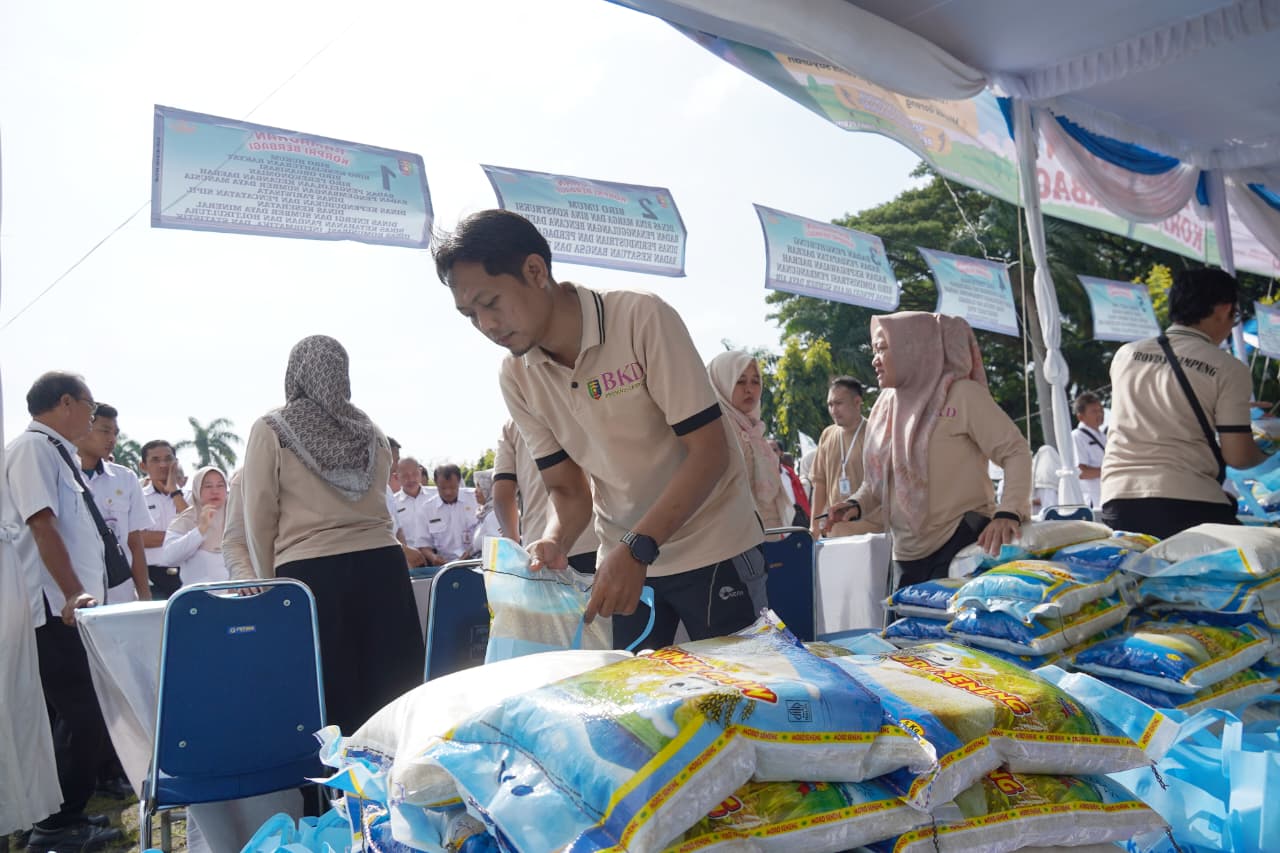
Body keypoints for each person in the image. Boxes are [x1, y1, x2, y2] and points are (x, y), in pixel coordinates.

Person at [435, 209, 763, 649]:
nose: (486, 326)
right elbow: (568, 492)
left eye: (491, 303)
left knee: (746, 699)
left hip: (713, 546)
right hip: (624, 565)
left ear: (535, 271)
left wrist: (637, 547)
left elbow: (710, 453)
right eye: (469, 315)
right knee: (637, 709)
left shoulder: (640, 317)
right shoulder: (517, 374)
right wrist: (553, 541)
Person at [238, 335, 423, 736]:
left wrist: (269, 586)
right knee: (395, 690)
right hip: (383, 568)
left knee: (328, 697)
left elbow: (259, 514)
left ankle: (331, 792)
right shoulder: (371, 430)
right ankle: (395, 787)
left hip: (312, 576)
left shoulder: (272, 428)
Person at [3, 372, 122, 850]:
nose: (94, 418)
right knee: (83, 716)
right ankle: (55, 828)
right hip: (55, 610)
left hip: (73, 610)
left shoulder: (55, 453)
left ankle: (58, 816)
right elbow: (41, 524)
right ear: (66, 402)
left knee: (78, 716)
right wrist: (73, 593)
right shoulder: (32, 449)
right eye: (90, 408)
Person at [828, 313, 1032, 589]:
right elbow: (876, 483)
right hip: (904, 554)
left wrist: (1008, 512)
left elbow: (1016, 451)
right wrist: (854, 505)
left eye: (882, 348)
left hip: (962, 544)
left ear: (911, 347)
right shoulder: (884, 407)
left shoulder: (962, 395)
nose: (875, 359)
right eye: (874, 351)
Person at [1101, 269, 1267, 537]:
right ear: (1223, 309)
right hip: (1190, 503)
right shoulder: (1228, 368)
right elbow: (1238, 456)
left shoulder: (1125, 356)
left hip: (1120, 499)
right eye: (1235, 316)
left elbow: (1161, 408)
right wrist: (1268, 446)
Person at [493, 418, 600, 573]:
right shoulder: (586, 400)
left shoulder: (513, 423)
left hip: (539, 551)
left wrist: (514, 545)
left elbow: (503, 493)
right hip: (598, 539)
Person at [707, 351, 793, 533]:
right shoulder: (715, 431)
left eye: (755, 381)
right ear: (720, 383)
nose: (749, 389)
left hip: (768, 534)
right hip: (731, 536)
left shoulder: (753, 430)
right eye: (740, 381)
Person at [73, 403, 151, 603]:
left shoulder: (125, 478)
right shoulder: (61, 475)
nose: (112, 439)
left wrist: (144, 597)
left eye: (115, 432)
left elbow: (135, 543)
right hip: (77, 596)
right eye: (105, 431)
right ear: (83, 427)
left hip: (120, 595)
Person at [811, 377, 883, 539]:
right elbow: (819, 483)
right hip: (835, 534)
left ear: (857, 402)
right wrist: (814, 525)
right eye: (830, 404)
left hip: (872, 535)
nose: (833, 410)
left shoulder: (874, 434)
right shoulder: (827, 434)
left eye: (839, 403)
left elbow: (880, 485)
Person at [160, 466, 232, 587]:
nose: (215, 491)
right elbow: (169, 558)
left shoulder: (237, 517)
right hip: (199, 597)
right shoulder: (186, 519)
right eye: (208, 486)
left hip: (236, 595)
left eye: (220, 485)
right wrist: (200, 529)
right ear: (197, 489)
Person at [138, 440, 189, 599]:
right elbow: (138, 538)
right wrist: (180, 537)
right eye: (155, 460)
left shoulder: (190, 496)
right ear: (143, 466)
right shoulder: (138, 497)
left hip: (188, 576)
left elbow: (195, 529)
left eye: (168, 459)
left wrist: (174, 491)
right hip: (152, 579)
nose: (163, 465)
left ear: (176, 462)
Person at [420, 464, 479, 564]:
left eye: (452, 487)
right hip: (445, 565)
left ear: (459, 482)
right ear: (435, 483)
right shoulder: (427, 509)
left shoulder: (475, 498)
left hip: (475, 560)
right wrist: (433, 557)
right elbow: (423, 544)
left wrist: (471, 552)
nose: (448, 492)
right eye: (443, 488)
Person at [1071, 392, 1107, 509]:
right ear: (1080, 416)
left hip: (1107, 496)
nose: (1100, 414)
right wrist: (1110, 470)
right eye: (1094, 411)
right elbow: (1081, 472)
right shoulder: (1077, 436)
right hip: (1094, 501)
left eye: (1101, 410)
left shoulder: (1103, 436)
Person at [470, 469, 502, 557]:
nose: (475, 491)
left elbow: (498, 548)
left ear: (490, 488)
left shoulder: (494, 514)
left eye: (479, 486)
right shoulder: (484, 512)